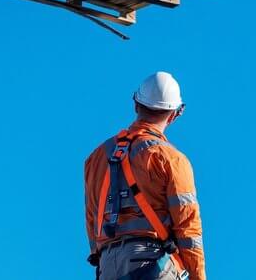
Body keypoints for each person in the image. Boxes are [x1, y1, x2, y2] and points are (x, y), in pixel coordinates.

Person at [84, 72, 205, 280]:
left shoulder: (96, 158)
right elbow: (188, 228)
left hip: (108, 265)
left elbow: (92, 220)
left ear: (135, 104)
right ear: (176, 113)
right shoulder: (171, 159)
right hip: (152, 263)